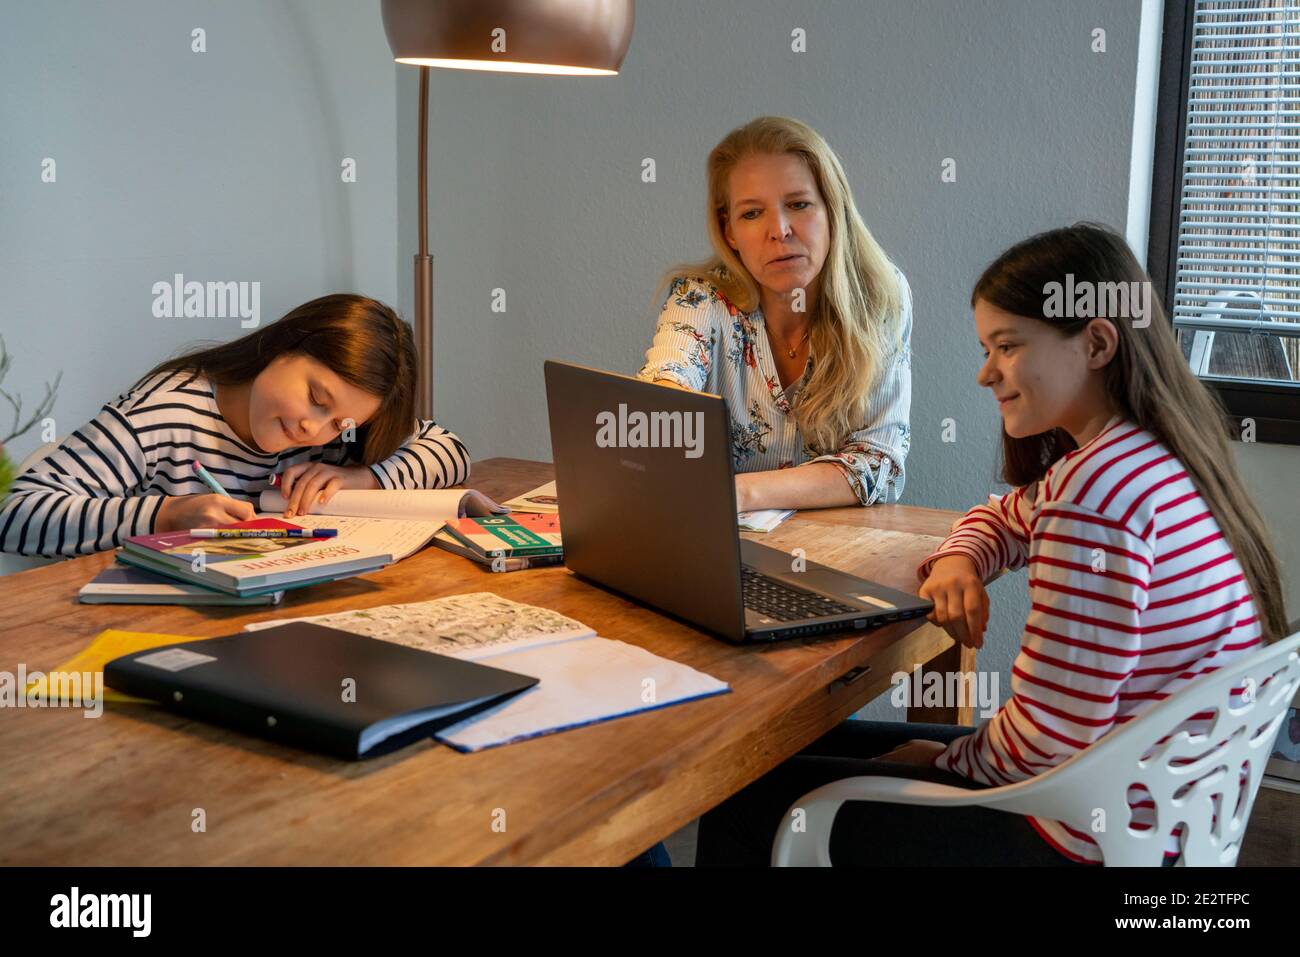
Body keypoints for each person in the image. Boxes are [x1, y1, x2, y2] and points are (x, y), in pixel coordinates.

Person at [695, 222, 1288, 866]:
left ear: (1094, 343)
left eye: (1006, 346)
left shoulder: (1095, 500)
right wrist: (961, 555)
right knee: (792, 760)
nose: (985, 374)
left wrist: (947, 758)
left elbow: (1048, 741)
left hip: (1072, 836)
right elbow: (1009, 512)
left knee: (743, 795)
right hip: (1156, 822)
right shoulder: (1150, 457)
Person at [0, 294, 470, 556]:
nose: (315, 430)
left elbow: (448, 448)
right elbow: (15, 514)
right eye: (315, 398)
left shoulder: (335, 437)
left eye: (340, 423)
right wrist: (167, 514)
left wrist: (364, 476)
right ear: (283, 344)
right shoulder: (167, 414)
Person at [637, 115, 912, 510]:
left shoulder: (881, 297)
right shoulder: (700, 300)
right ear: (729, 229)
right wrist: (664, 413)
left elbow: (878, 463)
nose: (779, 230)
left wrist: (740, 492)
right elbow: (664, 388)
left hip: (844, 551)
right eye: (751, 213)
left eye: (798, 204)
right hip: (722, 551)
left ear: (833, 211)